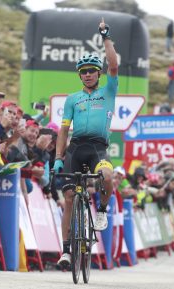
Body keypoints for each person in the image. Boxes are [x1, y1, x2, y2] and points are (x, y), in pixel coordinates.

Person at [54, 18, 117, 268]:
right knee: (69, 196)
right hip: (76, 148)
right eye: (84, 72)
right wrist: (59, 157)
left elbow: (113, 63)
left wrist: (105, 36)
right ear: (80, 75)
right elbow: (63, 130)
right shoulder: (72, 99)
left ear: (98, 73)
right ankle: (67, 251)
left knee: (107, 177)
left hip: (98, 148)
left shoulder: (108, 91)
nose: (88, 74)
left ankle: (100, 210)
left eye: (92, 70)